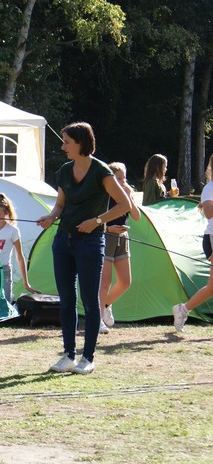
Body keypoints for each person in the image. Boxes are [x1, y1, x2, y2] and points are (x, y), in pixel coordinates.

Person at [36, 122, 131, 375]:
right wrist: (51, 217)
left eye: (67, 142)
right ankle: (68, 355)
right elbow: (60, 205)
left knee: (90, 302)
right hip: (63, 242)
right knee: (66, 300)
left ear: (81, 143)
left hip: (90, 243)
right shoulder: (65, 171)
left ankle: (88, 358)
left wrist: (97, 221)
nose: (62, 146)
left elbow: (124, 205)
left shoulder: (101, 171)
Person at [99, 162, 141, 334]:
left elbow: (136, 217)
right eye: (118, 179)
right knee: (105, 281)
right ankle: (98, 319)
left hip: (122, 237)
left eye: (124, 178)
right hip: (106, 236)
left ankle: (106, 305)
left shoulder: (125, 196)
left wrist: (129, 197)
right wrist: (109, 228)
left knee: (125, 281)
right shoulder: (105, 196)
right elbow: (96, 219)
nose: (122, 182)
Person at [173, 154, 213, 332]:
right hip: (212, 237)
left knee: (212, 287)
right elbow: (209, 212)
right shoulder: (210, 188)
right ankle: (183, 309)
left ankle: (182, 309)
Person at [0, 193, 39, 305]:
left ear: (6, 213)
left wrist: (26, 283)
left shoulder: (13, 231)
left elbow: (20, 257)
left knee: (5, 302)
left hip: (4, 270)